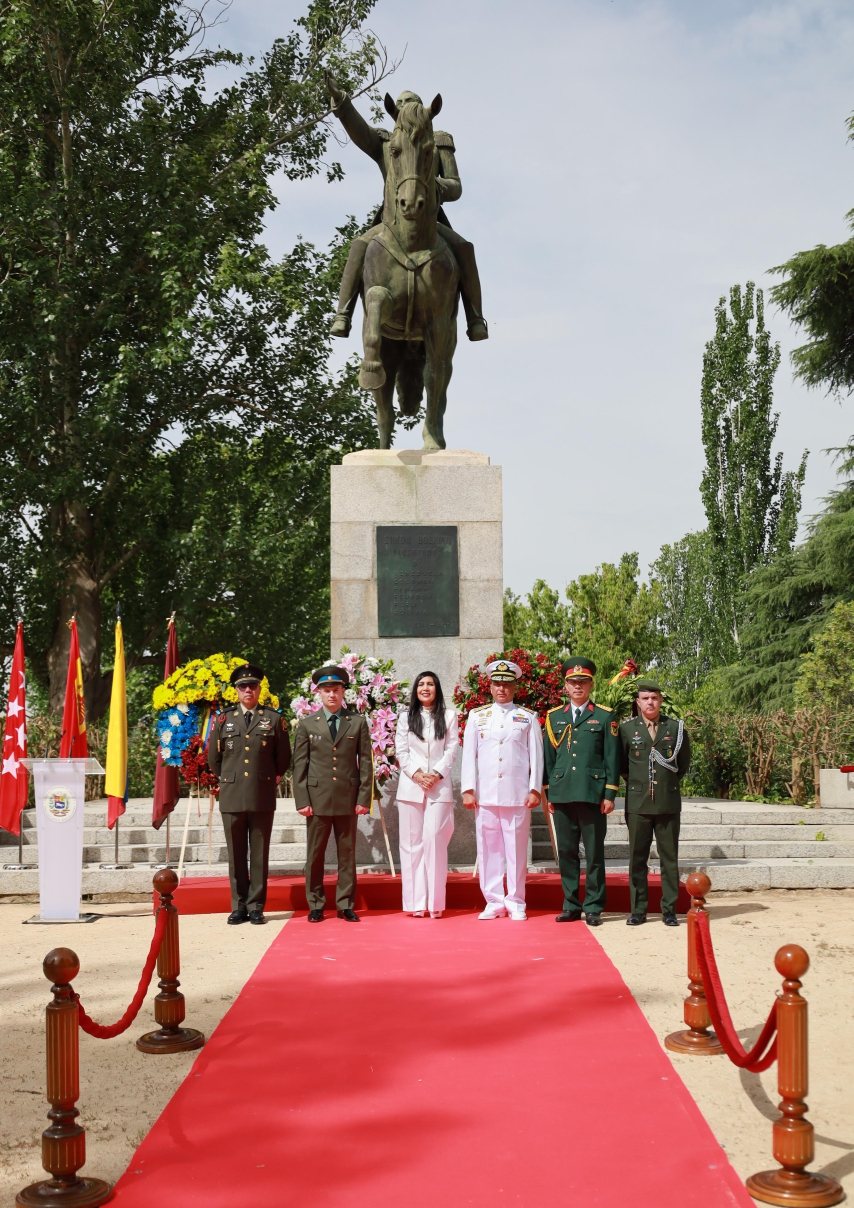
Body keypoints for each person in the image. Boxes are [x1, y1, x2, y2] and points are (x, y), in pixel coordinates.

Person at [325, 78, 488, 342]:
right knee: (359, 245)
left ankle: (475, 317)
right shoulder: (386, 144)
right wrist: (341, 102)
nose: (404, 108)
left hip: (429, 220)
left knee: (464, 248)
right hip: (392, 224)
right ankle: (343, 313)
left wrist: (435, 186)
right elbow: (358, 129)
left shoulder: (438, 141)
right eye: (399, 105)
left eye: (409, 103)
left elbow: (456, 186)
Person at [208, 664, 291, 925]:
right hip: (232, 795)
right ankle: (238, 906)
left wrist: (268, 778)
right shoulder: (223, 719)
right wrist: (229, 779)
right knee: (235, 854)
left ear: (259, 689)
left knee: (258, 853)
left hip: (261, 793)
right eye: (242, 686)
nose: (247, 690)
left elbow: (283, 758)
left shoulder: (275, 719)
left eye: (252, 686)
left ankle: (256, 906)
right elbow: (214, 759)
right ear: (235, 690)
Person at [461, 660, 543, 921]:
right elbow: (468, 757)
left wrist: (535, 789)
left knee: (516, 852)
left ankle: (516, 901)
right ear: (490, 686)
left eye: (507, 684)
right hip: (485, 796)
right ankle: (494, 901)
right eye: (497, 683)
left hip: (517, 795)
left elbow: (536, 757)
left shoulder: (527, 717)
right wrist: (468, 789)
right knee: (488, 850)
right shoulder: (478, 716)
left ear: (515, 687)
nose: (501, 689)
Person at [292, 663, 373, 922]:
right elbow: (300, 766)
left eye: (337, 690)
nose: (332, 695)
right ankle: (315, 903)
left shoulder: (357, 723)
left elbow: (366, 765)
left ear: (343, 692)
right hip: (316, 801)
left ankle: (345, 903)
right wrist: (302, 800)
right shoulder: (307, 724)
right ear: (319, 693)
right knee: (314, 855)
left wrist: (363, 799)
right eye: (327, 690)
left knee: (347, 855)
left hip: (348, 800)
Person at [543, 658, 620, 927]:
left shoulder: (604, 716)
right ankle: (571, 905)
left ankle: (594, 906)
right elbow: (549, 760)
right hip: (563, 794)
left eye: (583, 682)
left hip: (592, 794)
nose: (578, 686)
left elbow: (612, 757)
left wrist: (609, 794)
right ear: (565, 686)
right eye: (573, 682)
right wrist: (550, 793)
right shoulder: (554, 717)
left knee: (595, 853)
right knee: (566, 852)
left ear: (591, 685)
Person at [619, 678, 691, 927]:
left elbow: (682, 764)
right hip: (638, 804)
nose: (650, 702)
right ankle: (638, 910)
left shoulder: (675, 728)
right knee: (637, 858)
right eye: (645, 698)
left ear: (660, 700)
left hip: (667, 803)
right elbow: (622, 765)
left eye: (655, 698)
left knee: (669, 858)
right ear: (638, 702)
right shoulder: (627, 729)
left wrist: (666, 784)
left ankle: (669, 909)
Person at [395, 671, 460, 918]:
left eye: (430, 684)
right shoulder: (405, 717)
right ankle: (415, 904)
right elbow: (402, 752)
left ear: (437, 689)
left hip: (438, 788)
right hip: (411, 787)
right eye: (421, 684)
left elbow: (452, 750)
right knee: (411, 846)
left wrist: (436, 774)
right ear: (416, 690)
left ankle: (435, 904)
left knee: (434, 841)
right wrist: (417, 774)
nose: (425, 688)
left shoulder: (449, 716)